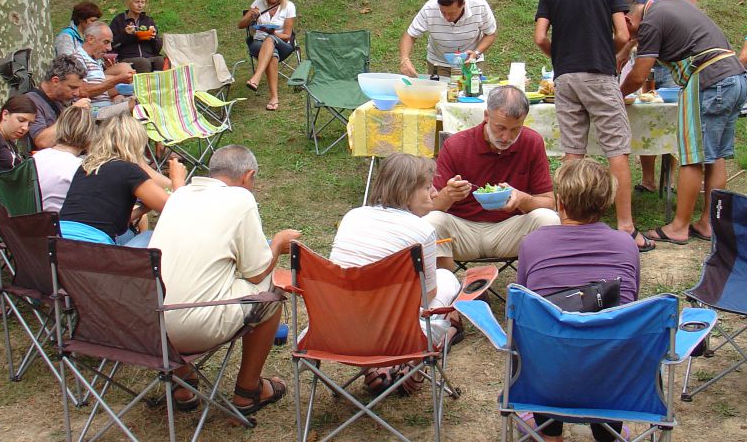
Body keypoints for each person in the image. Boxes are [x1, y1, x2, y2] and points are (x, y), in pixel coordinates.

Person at [148, 145, 298, 415]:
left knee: (179, 285)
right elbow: (256, 272)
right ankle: (247, 391)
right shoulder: (240, 199)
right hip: (194, 326)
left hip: (149, 328)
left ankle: (184, 384)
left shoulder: (179, 196)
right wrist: (277, 244)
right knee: (272, 290)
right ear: (247, 176)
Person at [534, 0, 649, 252]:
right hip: (599, 75)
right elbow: (623, 36)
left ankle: (567, 222)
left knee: (573, 152)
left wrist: (559, 56)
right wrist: (605, 51)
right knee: (617, 150)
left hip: (565, 79)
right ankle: (626, 226)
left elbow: (540, 37)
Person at [516, 158, 639, 442]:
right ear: (607, 201)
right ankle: (607, 431)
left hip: (548, 375)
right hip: (613, 376)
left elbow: (523, 310)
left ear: (560, 202)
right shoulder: (626, 244)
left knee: (546, 339)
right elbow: (629, 308)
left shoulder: (534, 244)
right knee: (610, 337)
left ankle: (550, 434)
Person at [620, 0, 747, 245]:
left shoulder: (650, 22)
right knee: (715, 155)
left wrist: (617, 95)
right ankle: (709, 223)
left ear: (627, 20)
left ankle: (679, 228)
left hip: (710, 82)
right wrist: (628, 47)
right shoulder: (667, 6)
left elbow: (638, 76)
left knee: (693, 156)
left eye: (622, 31)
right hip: (735, 79)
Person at [331, 153, 463, 393]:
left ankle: (377, 369)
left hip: (336, 331)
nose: (435, 193)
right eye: (427, 186)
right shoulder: (422, 230)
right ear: (406, 191)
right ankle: (412, 363)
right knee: (447, 279)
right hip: (396, 337)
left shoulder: (352, 216)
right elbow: (427, 298)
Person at [425, 85, 560, 270]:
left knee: (548, 219)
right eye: (500, 127)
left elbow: (549, 202)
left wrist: (522, 199)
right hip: (462, 231)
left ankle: (535, 289)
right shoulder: (456, 145)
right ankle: (449, 288)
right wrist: (448, 195)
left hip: (509, 230)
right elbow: (429, 207)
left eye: (515, 130)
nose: (506, 137)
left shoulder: (532, 142)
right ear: (486, 116)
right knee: (432, 222)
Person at [625, 0, 698, 194]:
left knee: (672, 120)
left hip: (673, 65)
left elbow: (693, 25)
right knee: (645, 119)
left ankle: (671, 178)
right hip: (643, 62)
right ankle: (647, 179)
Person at [58, 113, 185, 247]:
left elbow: (114, 225)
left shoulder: (86, 167)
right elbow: (176, 209)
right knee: (151, 236)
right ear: (137, 142)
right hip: (95, 252)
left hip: (60, 246)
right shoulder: (129, 171)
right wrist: (178, 182)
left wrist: (144, 208)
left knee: (128, 236)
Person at [399, 0, 497, 78]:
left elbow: (491, 33)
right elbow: (410, 35)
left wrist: (476, 53)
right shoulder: (429, 9)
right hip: (439, 63)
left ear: (463, 4)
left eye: (451, 13)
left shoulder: (479, 6)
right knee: (440, 94)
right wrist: (404, 59)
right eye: (443, 12)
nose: (447, 17)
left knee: (471, 92)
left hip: (470, 62)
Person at [238, 0, 297, 111]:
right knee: (272, 55)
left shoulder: (289, 6)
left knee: (271, 40)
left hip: (282, 43)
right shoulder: (258, 3)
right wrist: (250, 17)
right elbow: (240, 25)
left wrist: (273, 33)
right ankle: (274, 98)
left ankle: (256, 77)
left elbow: (287, 36)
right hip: (258, 42)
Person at [32, 106, 95, 213]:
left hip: (32, 222)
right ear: (90, 134)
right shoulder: (83, 168)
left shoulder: (36, 157)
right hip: (64, 224)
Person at [25, 55, 91, 150]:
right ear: (55, 81)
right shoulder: (31, 101)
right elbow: (43, 142)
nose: (77, 93)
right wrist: (71, 113)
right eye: (72, 87)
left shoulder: (61, 100)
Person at [72, 21, 136, 119]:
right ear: (90, 39)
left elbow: (103, 91)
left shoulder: (94, 60)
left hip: (106, 106)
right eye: (106, 42)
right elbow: (83, 91)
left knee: (145, 98)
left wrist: (131, 88)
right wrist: (117, 80)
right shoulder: (77, 58)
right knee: (138, 105)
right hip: (94, 112)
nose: (109, 48)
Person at [109, 0, 164, 74]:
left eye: (143, 2)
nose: (140, 5)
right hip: (127, 57)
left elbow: (157, 49)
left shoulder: (148, 20)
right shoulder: (119, 20)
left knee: (160, 60)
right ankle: (144, 87)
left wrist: (154, 37)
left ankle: (159, 86)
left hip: (148, 55)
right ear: (129, 3)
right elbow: (111, 44)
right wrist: (125, 34)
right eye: (137, 2)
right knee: (143, 62)